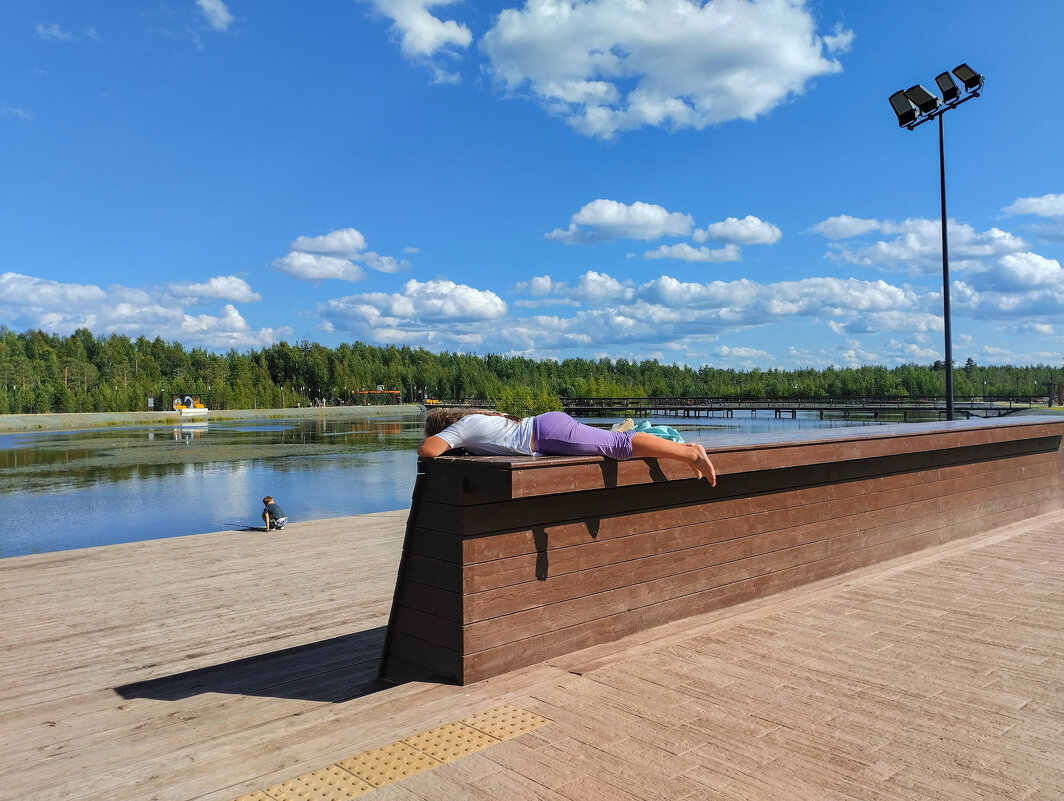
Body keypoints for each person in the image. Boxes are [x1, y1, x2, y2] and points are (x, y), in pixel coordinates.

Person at [417, 409, 716, 485]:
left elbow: (428, 450)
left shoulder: (464, 426)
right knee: (614, 441)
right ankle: (683, 449)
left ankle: (691, 453)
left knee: (619, 445)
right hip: (546, 431)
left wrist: (448, 442)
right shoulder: (474, 423)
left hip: (546, 433)